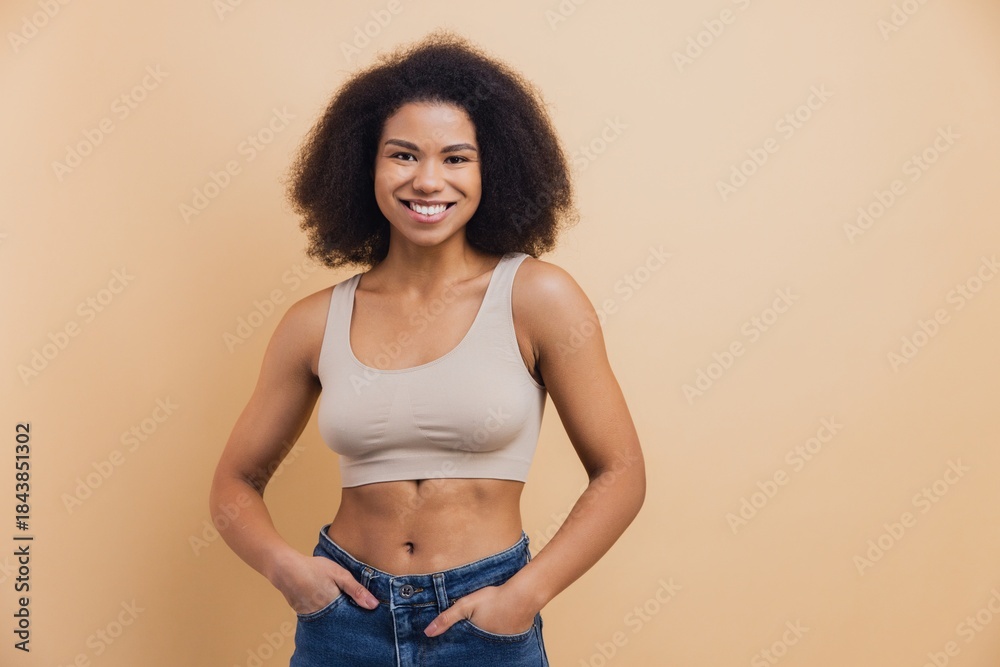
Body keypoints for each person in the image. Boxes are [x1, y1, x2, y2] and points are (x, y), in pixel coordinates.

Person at [209, 30, 645, 667]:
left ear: (492, 167)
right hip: (344, 622)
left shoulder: (538, 298)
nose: (428, 179)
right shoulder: (313, 322)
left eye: (456, 158)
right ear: (367, 165)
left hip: (485, 615)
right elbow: (234, 484)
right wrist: (290, 574)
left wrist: (523, 596)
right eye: (403, 155)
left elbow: (621, 472)